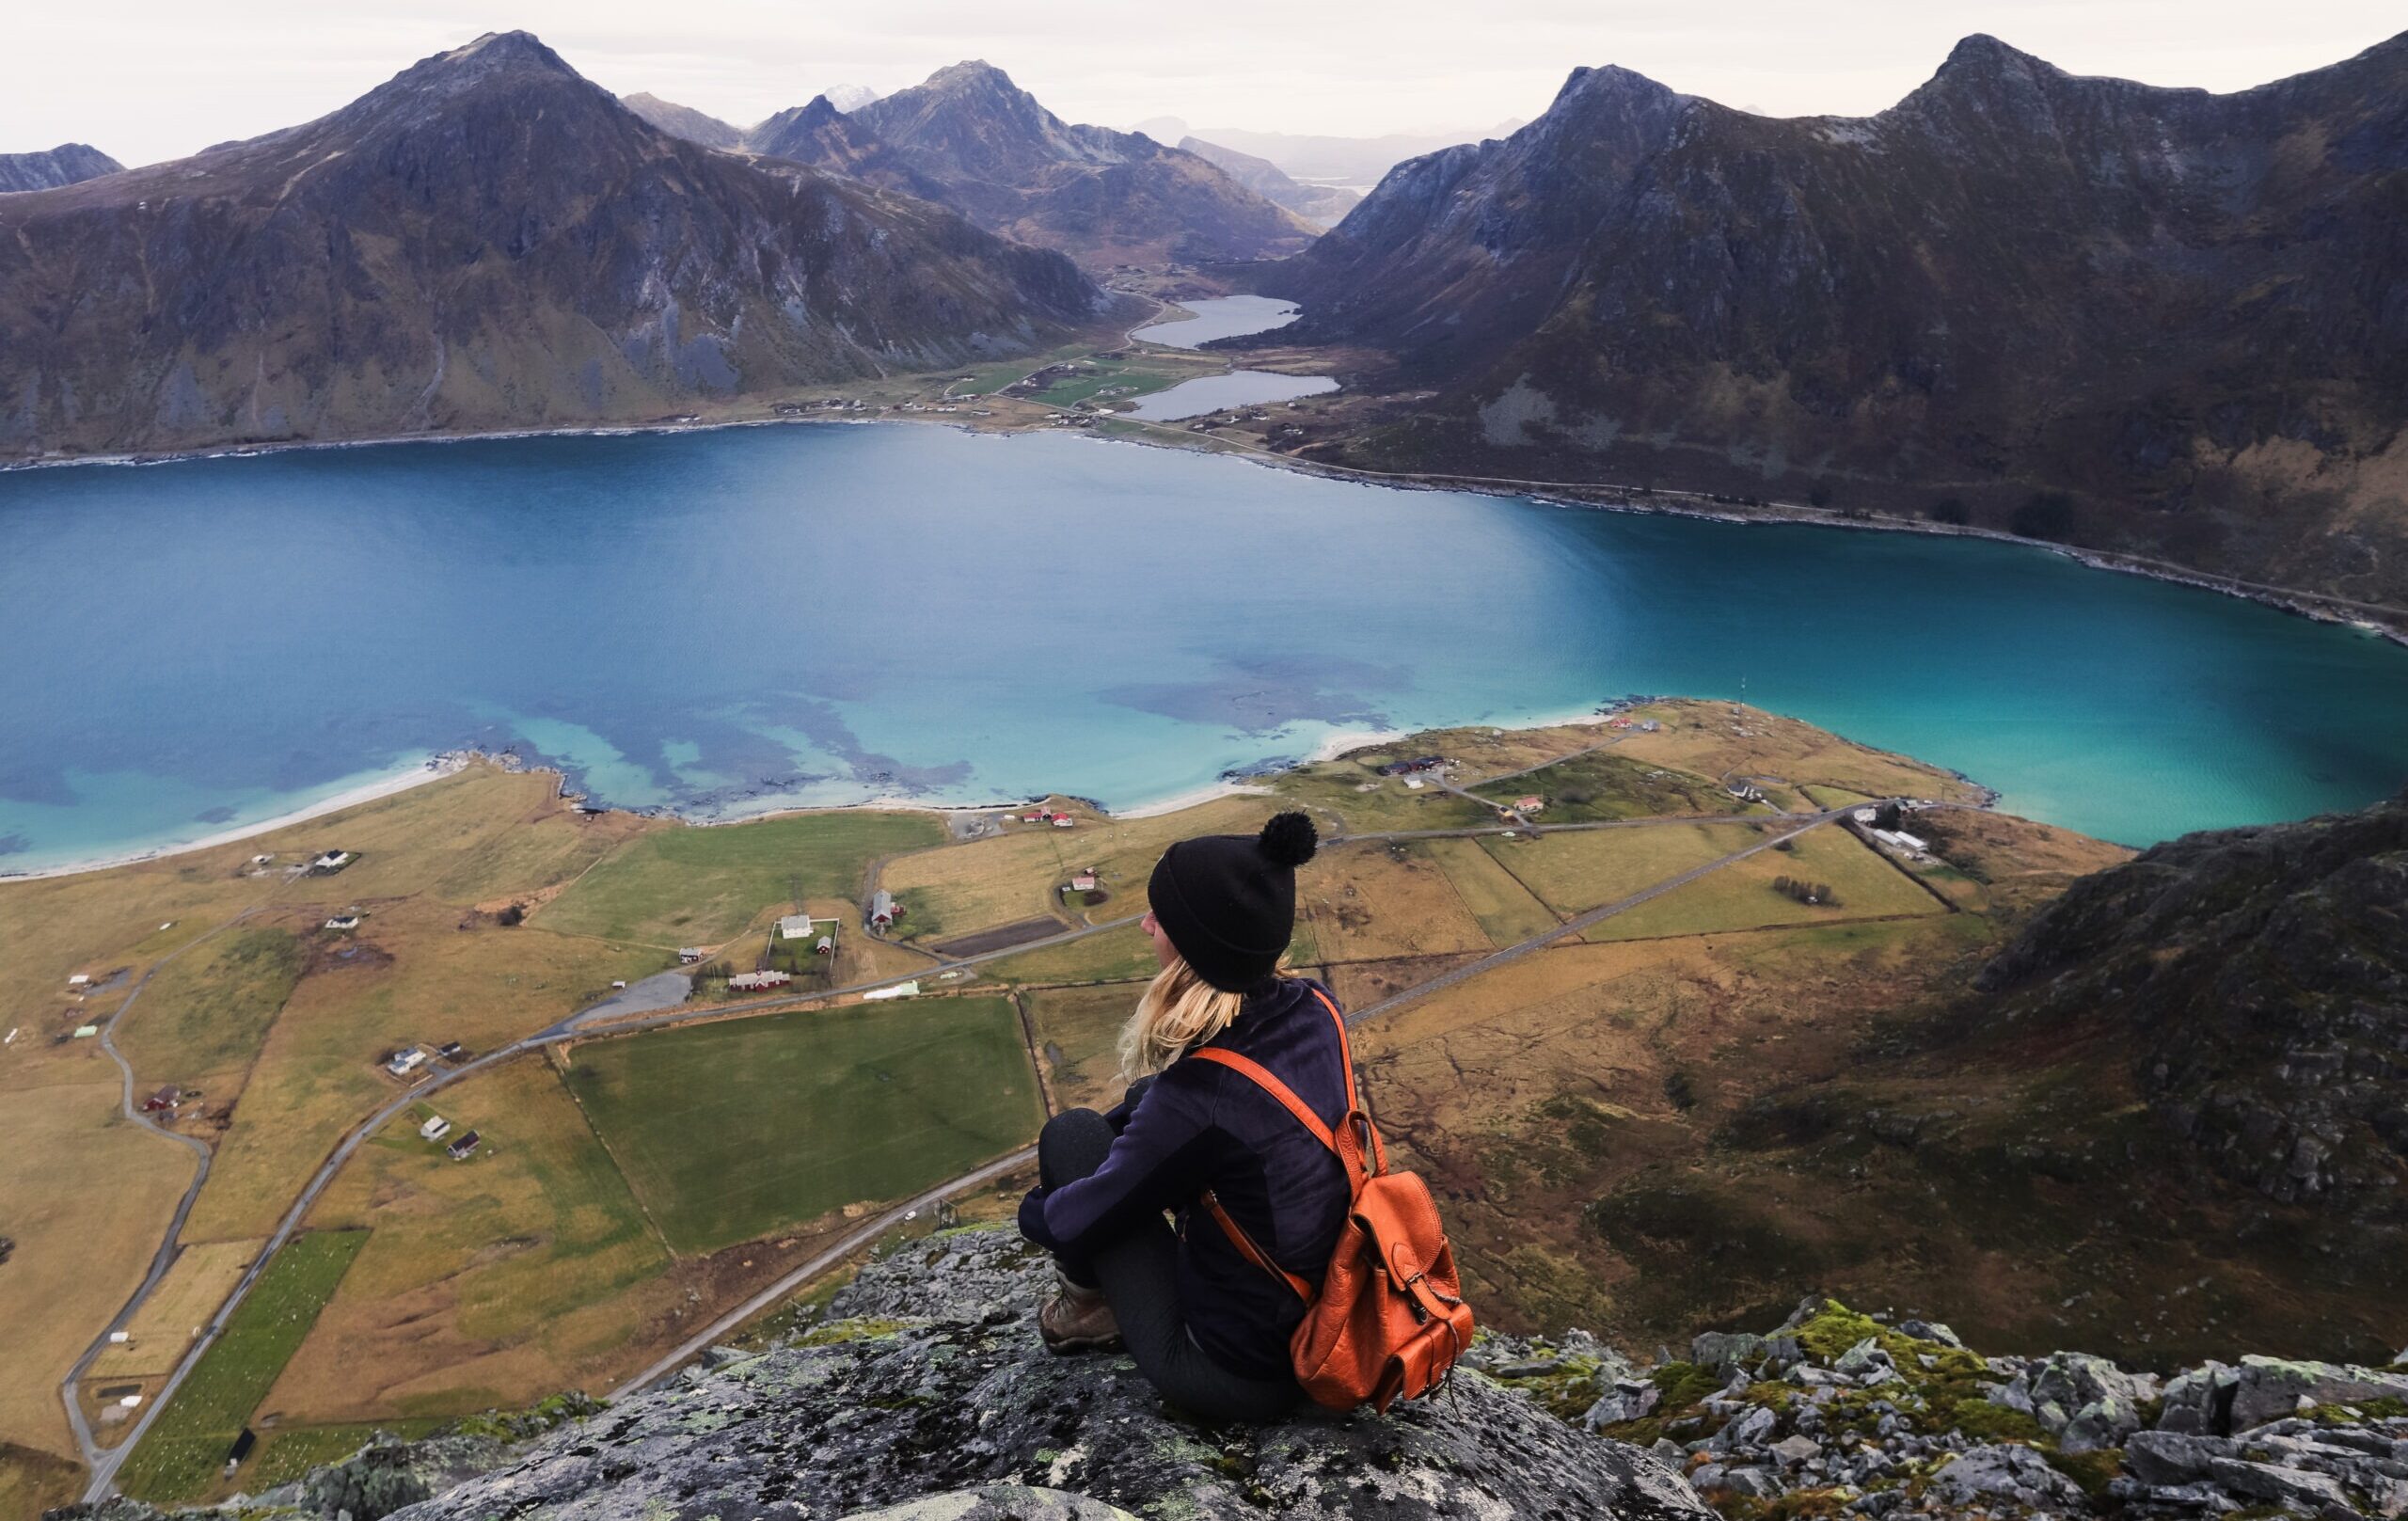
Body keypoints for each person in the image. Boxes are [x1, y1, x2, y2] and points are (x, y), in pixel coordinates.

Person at [1016, 810, 1347, 1421]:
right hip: (1326, 1326)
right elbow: (1191, 1118)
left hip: (1234, 1377)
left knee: (1070, 1136)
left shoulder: (1202, 1096)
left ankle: (1089, 1311)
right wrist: (1137, 1129)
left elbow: (1073, 1222)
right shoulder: (1317, 1008)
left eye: (1160, 918)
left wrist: (1035, 1208)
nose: (1145, 925)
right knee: (1141, 1105)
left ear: (1196, 945)